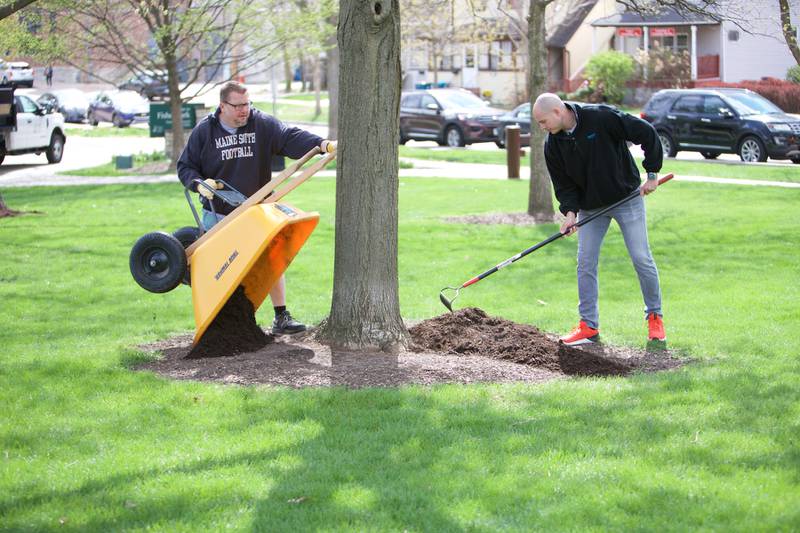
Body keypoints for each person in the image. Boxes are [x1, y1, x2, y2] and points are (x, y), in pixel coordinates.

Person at [178, 80, 335, 335]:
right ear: (222, 106)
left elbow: (289, 137)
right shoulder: (205, 132)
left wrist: (321, 144)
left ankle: (281, 316)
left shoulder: (261, 124)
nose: (244, 111)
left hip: (257, 209)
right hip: (219, 214)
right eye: (238, 106)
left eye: (247, 104)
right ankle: (224, 326)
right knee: (222, 270)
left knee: (270, 259)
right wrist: (199, 184)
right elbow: (185, 166)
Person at [531, 93, 666, 346]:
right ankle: (588, 326)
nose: (542, 128)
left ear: (558, 112)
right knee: (585, 262)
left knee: (641, 257)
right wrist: (570, 214)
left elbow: (646, 132)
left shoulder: (600, 117)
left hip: (626, 198)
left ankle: (655, 317)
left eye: (543, 121)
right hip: (590, 209)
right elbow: (564, 185)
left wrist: (651, 173)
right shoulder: (553, 145)